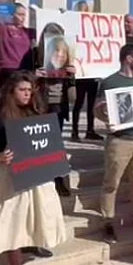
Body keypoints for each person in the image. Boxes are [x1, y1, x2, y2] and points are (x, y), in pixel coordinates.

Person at [0, 71, 68, 265]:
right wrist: (0, 156)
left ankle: (32, 243)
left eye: (29, 90)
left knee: (37, 214)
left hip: (36, 174)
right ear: (11, 91)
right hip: (10, 177)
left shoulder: (36, 113)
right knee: (13, 222)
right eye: (22, 90)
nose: (27, 94)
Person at [95, 44, 133, 243]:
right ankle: (107, 221)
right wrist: (103, 112)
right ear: (128, 58)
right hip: (119, 141)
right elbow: (97, 110)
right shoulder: (109, 82)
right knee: (111, 183)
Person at [35, 25, 74, 197]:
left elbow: (71, 86)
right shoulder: (35, 54)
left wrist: (72, 74)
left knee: (56, 143)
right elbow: (21, 77)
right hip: (42, 104)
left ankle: (59, 179)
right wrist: (34, 74)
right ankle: (42, 177)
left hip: (59, 104)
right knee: (41, 143)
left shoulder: (65, 54)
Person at [0, 3, 35, 87]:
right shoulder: (2, 28)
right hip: (9, 69)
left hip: (26, 69)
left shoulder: (28, 32)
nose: (22, 18)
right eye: (19, 14)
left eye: (24, 15)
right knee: (8, 94)